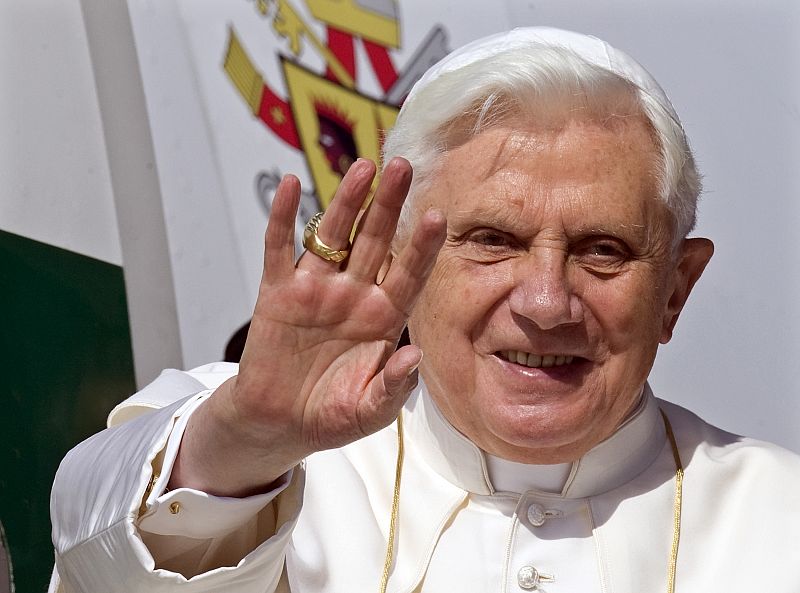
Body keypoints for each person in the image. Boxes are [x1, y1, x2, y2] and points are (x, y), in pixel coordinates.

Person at [50, 27, 800, 593]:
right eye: (492, 239)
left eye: (602, 249)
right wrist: (242, 443)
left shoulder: (780, 519)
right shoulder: (258, 445)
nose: (546, 301)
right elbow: (91, 546)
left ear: (674, 290)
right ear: (402, 259)